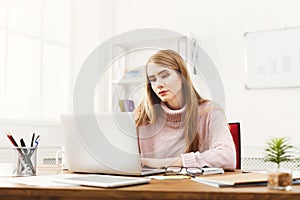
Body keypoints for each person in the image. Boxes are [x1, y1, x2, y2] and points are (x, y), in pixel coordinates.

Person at [135, 49, 236, 170]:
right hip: (151, 186)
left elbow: (227, 157)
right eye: (153, 79)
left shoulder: (210, 111)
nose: (158, 84)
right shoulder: (142, 117)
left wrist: (168, 162)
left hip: (193, 187)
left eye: (165, 75)